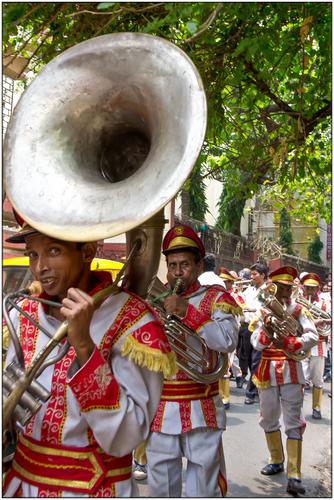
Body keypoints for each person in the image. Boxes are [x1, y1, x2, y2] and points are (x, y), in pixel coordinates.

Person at [3, 219, 175, 497]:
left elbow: (125, 438)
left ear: (88, 252)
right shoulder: (22, 311)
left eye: (54, 251)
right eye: (33, 254)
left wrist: (84, 347)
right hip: (20, 484)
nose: (40, 267)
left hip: (93, 489)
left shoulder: (133, 322)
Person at [146, 224, 240, 497]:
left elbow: (227, 341)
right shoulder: (154, 299)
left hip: (202, 407)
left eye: (184, 264)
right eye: (172, 264)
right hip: (161, 409)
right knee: (160, 488)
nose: (176, 272)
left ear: (199, 266)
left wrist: (188, 312)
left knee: (203, 489)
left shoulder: (216, 299)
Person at [251, 266, 318, 496]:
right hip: (266, 370)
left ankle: (294, 473)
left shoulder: (299, 311)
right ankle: (276, 459)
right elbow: (255, 343)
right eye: (279, 287)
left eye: (287, 288)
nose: (283, 292)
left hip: (290, 368)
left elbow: (312, 336)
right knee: (268, 417)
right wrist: (266, 331)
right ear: (272, 288)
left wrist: (289, 342)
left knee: (293, 420)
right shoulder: (263, 311)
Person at [300, 273, 331, 419]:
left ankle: (316, 407)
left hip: (319, 344)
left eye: (312, 288)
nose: (309, 290)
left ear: (317, 288)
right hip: (302, 343)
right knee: (300, 377)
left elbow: (330, 320)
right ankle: (296, 407)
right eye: (307, 287)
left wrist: (320, 321)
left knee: (317, 379)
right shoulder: (298, 302)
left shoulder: (326, 301)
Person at [239, 262, 268, 404]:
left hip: (259, 328)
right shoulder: (249, 290)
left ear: (263, 275)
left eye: (254, 274)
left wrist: (253, 311)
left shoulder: (268, 290)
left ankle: (250, 392)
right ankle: (256, 385)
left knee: (256, 361)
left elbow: (267, 309)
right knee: (248, 359)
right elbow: (241, 303)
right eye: (251, 274)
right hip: (246, 328)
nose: (251, 277)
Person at [218, 267, 244, 405]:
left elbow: (241, 314)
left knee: (227, 363)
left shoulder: (235, 296)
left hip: (229, 333)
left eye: (225, 281)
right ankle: (220, 394)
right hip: (217, 332)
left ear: (230, 283)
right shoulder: (216, 294)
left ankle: (225, 397)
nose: (222, 283)